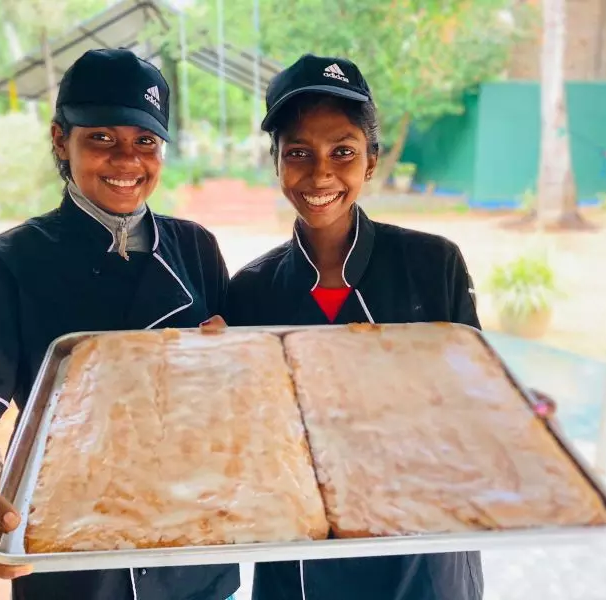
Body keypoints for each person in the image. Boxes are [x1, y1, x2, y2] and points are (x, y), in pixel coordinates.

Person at [0, 48, 239, 600]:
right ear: (62, 140)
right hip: (73, 556)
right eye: (102, 139)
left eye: (145, 142)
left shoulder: (196, 248)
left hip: (192, 554)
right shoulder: (12, 260)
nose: (127, 160)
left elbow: (236, 400)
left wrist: (232, 373)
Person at [224, 53, 486, 600]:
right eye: (298, 152)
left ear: (370, 161)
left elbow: (476, 402)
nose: (320, 172)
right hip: (302, 556)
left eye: (342, 151)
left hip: (422, 549)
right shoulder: (251, 290)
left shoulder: (433, 264)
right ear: (275, 163)